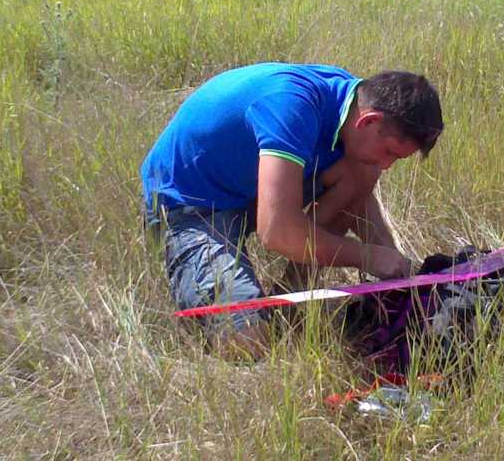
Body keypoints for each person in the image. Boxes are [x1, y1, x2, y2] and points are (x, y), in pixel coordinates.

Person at [141, 61, 443, 358]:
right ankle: (258, 312)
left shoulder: (352, 103)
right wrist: (367, 256)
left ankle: (291, 298)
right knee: (247, 343)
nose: (387, 165)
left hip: (249, 187)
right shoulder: (293, 107)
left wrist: (396, 267)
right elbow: (277, 232)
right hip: (189, 206)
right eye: (389, 152)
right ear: (368, 121)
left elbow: (358, 193)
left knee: (362, 168)